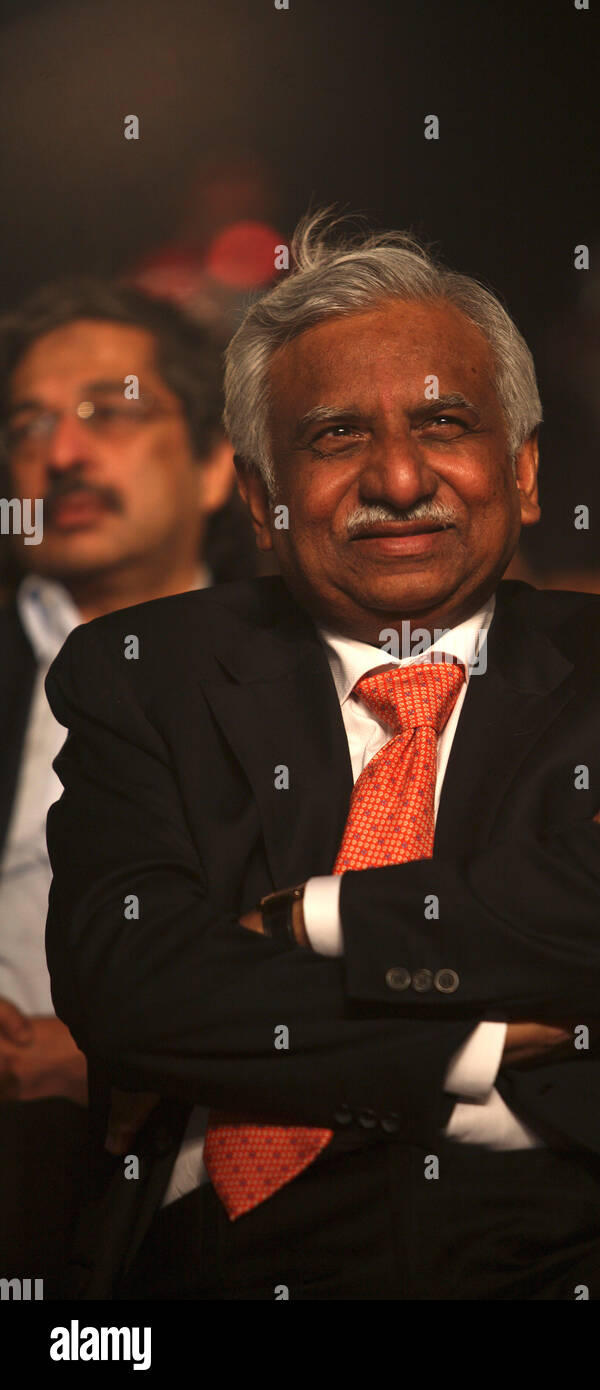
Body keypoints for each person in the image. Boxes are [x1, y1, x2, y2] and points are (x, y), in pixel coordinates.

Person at [44, 213, 600, 1300]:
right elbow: (132, 987)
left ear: (522, 473)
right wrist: (473, 1037)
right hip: (246, 1246)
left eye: (442, 422)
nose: (396, 476)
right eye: (335, 436)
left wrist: (306, 920)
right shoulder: (143, 672)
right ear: (258, 498)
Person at [0, 280, 237, 1287]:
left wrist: (116, 1061)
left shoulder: (310, 674)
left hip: (194, 1141)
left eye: (113, 409)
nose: (62, 454)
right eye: (28, 425)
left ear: (218, 464)